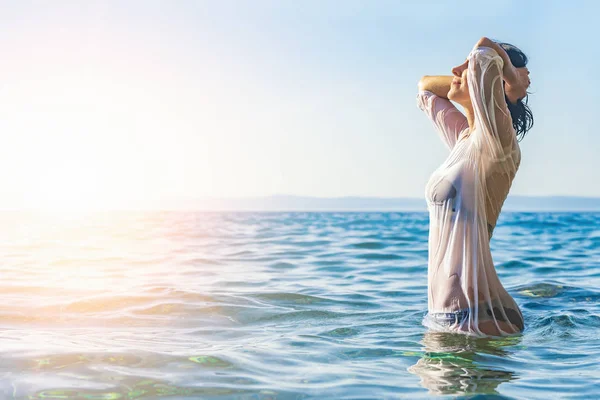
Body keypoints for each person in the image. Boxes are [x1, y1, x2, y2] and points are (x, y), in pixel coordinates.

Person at [416, 37, 533, 336]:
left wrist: (513, 83)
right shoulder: (463, 141)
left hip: (485, 314)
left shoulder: (498, 144)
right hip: (443, 317)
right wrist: (465, 78)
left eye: (465, 69)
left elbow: (483, 53)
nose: (456, 71)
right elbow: (425, 88)